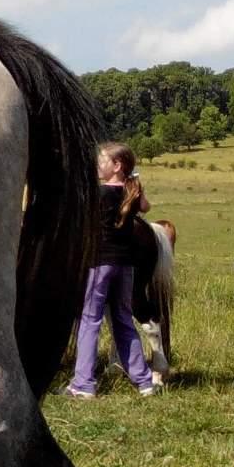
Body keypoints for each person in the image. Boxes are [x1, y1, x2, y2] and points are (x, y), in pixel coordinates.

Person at [68, 142, 158, 398]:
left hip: (100, 262)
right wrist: (135, 182)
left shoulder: (100, 193)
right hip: (126, 265)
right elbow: (145, 208)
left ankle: (83, 384)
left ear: (117, 166)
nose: (98, 165)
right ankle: (144, 381)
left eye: (102, 161)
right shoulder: (130, 191)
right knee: (123, 320)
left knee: (90, 320)